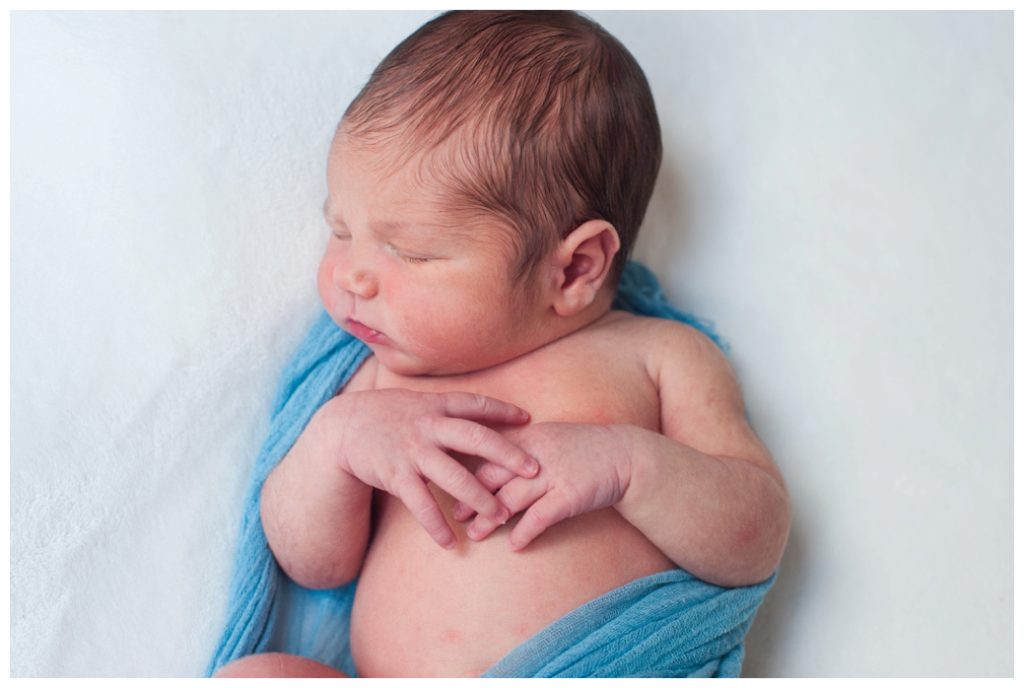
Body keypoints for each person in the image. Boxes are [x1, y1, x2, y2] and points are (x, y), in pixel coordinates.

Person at [214, 10, 789, 678]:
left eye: (411, 251)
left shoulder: (659, 357)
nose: (351, 275)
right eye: (340, 230)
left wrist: (633, 467)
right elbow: (312, 566)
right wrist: (336, 445)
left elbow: (755, 538)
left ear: (573, 269)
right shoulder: (378, 387)